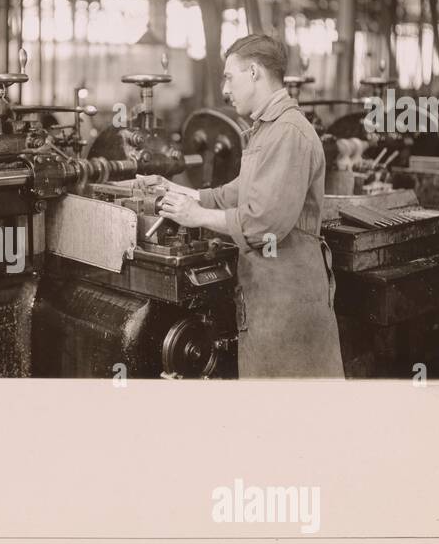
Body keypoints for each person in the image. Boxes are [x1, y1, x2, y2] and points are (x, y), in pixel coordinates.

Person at [140, 33, 344, 378]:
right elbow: (238, 192)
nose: (225, 89)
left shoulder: (288, 133)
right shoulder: (267, 129)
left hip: (288, 298)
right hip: (270, 292)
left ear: (253, 73)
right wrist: (180, 191)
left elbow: (265, 224)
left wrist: (198, 216)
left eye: (229, 76)